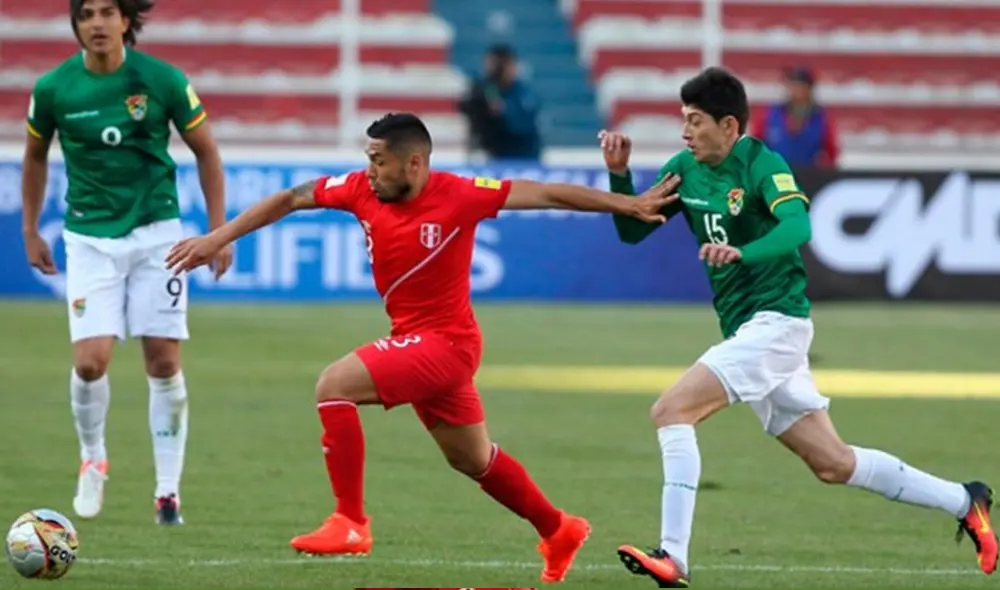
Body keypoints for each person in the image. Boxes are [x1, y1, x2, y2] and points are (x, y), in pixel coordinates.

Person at [165, 112, 676, 583]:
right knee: (473, 459)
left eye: (379, 161)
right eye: (368, 160)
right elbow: (291, 197)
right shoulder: (360, 191)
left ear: (414, 162)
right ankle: (558, 528)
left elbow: (546, 194)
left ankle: (350, 521)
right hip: (419, 342)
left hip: (447, 344)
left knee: (333, 386)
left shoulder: (460, 194)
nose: (369, 172)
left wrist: (626, 202)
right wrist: (218, 237)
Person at [599, 67, 997, 588]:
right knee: (833, 463)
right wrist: (620, 177)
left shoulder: (763, 163)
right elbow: (633, 231)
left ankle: (673, 557)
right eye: (684, 121)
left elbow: (798, 226)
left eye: (695, 122)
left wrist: (742, 251)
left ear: (729, 125)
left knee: (671, 410)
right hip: (747, 334)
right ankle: (966, 501)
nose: (685, 132)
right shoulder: (684, 169)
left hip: (777, 325)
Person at [20, 0, 231, 525]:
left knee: (163, 360)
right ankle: (92, 456)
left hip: (159, 235)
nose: (96, 23)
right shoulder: (53, 90)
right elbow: (34, 156)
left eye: (106, 12)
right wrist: (29, 228)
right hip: (90, 239)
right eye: (86, 13)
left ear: (125, 21)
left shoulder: (161, 80)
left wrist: (220, 230)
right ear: (75, 23)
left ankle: (167, 492)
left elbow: (206, 151)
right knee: (90, 361)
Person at [750, 66, 839, 168]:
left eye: (801, 87)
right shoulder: (769, 115)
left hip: (809, 175)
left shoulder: (821, 118)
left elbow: (831, 152)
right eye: (793, 86)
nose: (797, 92)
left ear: (809, 89)